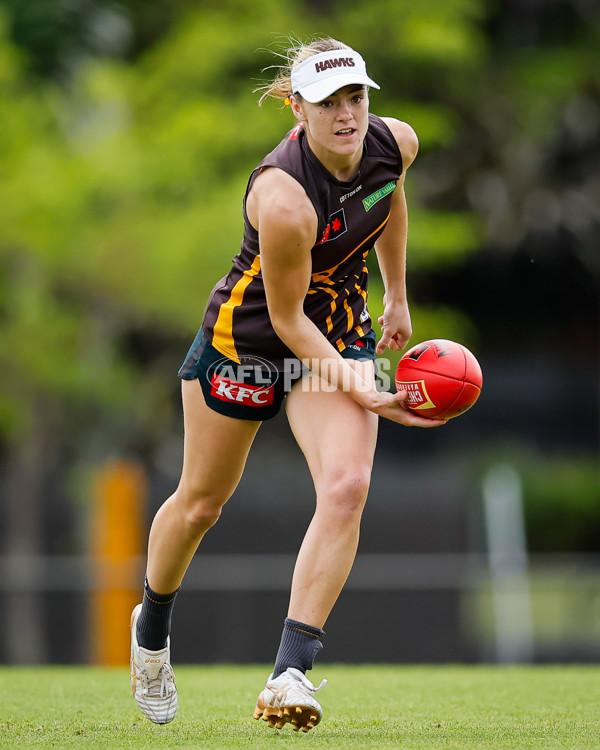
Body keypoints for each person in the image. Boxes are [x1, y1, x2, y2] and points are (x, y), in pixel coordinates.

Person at [129, 36, 446, 731]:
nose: (346, 114)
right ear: (295, 108)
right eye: (327, 101)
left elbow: (390, 200)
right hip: (249, 339)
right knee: (202, 503)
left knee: (347, 485)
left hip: (335, 327)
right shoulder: (282, 199)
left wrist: (396, 295)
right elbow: (286, 320)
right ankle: (151, 630)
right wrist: (363, 388)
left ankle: (289, 673)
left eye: (355, 97)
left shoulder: (397, 144)